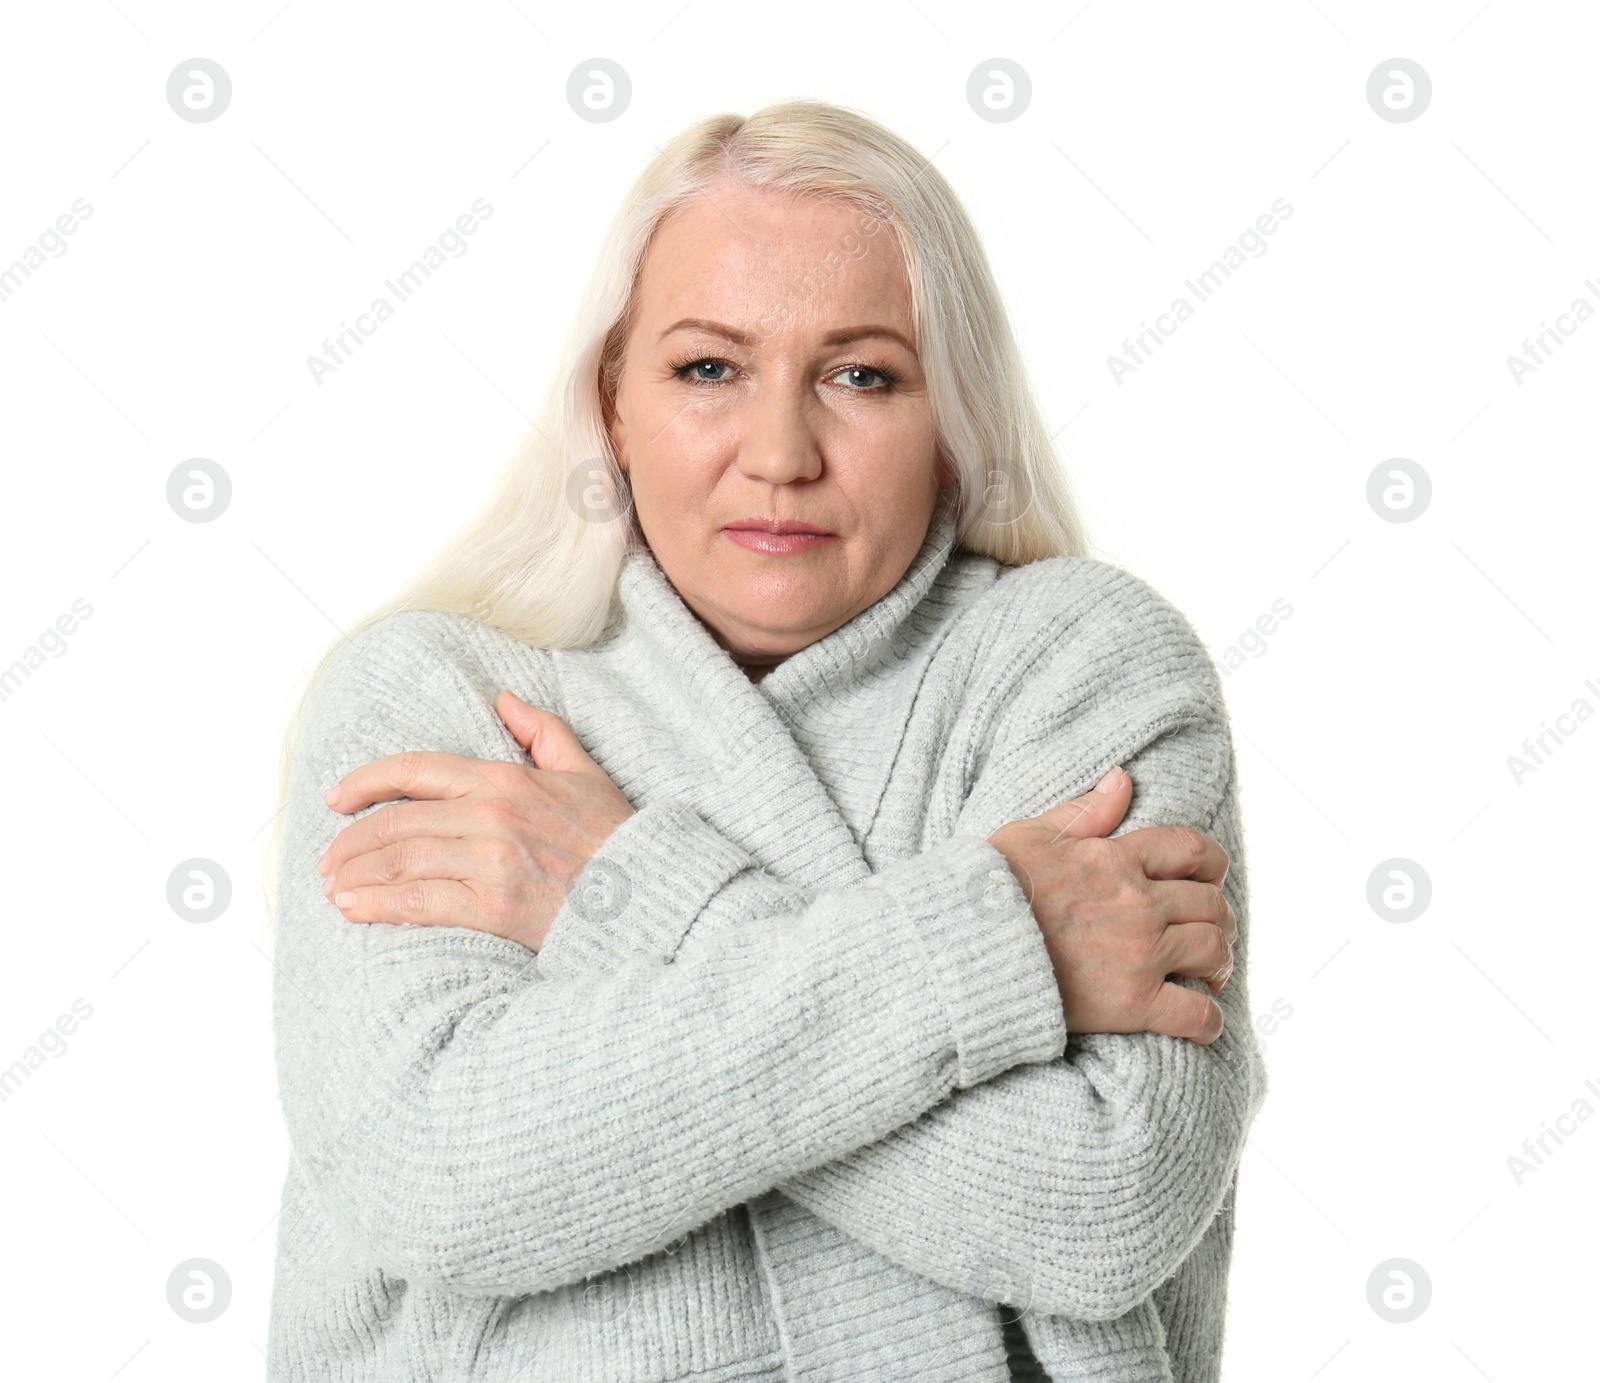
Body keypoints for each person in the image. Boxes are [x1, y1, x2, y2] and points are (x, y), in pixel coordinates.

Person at [262, 98, 1266, 1383]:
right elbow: (444, 1179)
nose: (780, 453)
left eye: (861, 374)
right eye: (706, 369)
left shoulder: (1080, 666)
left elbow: (1103, 1205)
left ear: (953, 420)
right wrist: (997, 941)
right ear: (611, 404)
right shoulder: (433, 697)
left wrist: (626, 896)